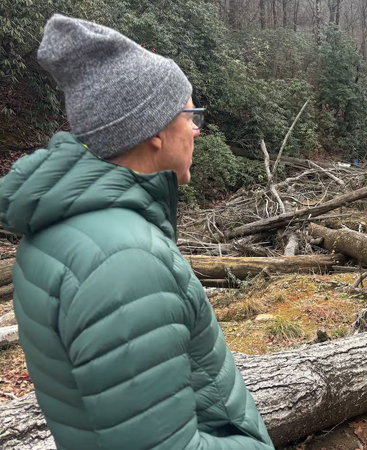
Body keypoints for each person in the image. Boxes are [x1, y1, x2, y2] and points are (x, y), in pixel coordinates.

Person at [0, 14, 274, 450]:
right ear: (155, 131)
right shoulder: (125, 261)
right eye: (190, 115)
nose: (197, 130)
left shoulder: (56, 233)